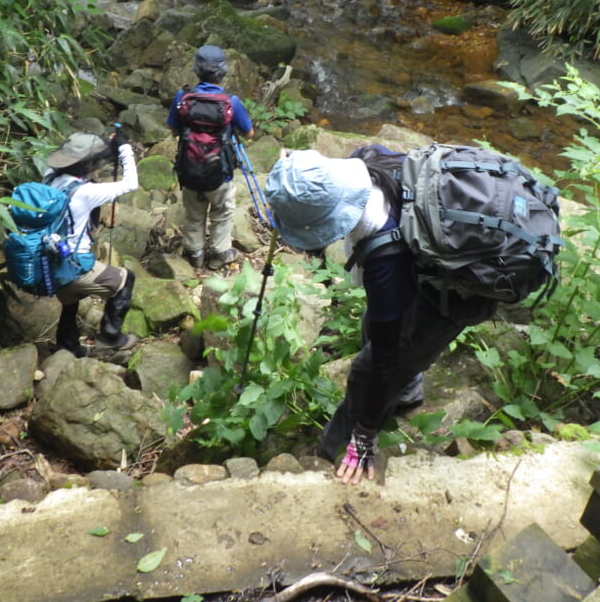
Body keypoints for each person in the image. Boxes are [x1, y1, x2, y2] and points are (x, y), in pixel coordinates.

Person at [264, 146, 496, 485]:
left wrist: (365, 432)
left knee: (369, 368)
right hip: (430, 262)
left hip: (460, 293)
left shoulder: (384, 256)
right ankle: (407, 393)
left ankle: (335, 451)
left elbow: (385, 360)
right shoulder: (368, 158)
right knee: (375, 325)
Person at [44, 129, 140, 358]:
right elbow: (131, 184)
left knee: (70, 299)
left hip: (49, 261)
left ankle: (67, 345)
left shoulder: (49, 177)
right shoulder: (85, 192)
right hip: (72, 266)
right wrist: (124, 148)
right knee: (126, 279)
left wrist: (107, 145)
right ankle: (110, 337)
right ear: (87, 165)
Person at [166, 45, 254, 271]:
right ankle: (219, 253)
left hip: (190, 168)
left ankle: (194, 253)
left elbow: (174, 130)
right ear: (223, 72)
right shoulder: (230, 102)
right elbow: (249, 133)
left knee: (194, 213)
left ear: (196, 70)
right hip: (220, 172)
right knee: (222, 212)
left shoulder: (182, 98)